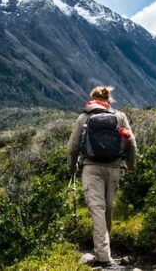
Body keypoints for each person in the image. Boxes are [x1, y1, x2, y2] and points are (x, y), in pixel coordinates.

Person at [67, 86, 137, 269]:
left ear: (92, 99)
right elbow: (131, 142)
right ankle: (104, 252)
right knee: (108, 209)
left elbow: (72, 147)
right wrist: (130, 165)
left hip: (91, 168)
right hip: (114, 168)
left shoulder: (83, 118)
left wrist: (72, 167)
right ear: (109, 99)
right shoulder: (119, 116)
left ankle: (104, 257)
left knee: (97, 208)